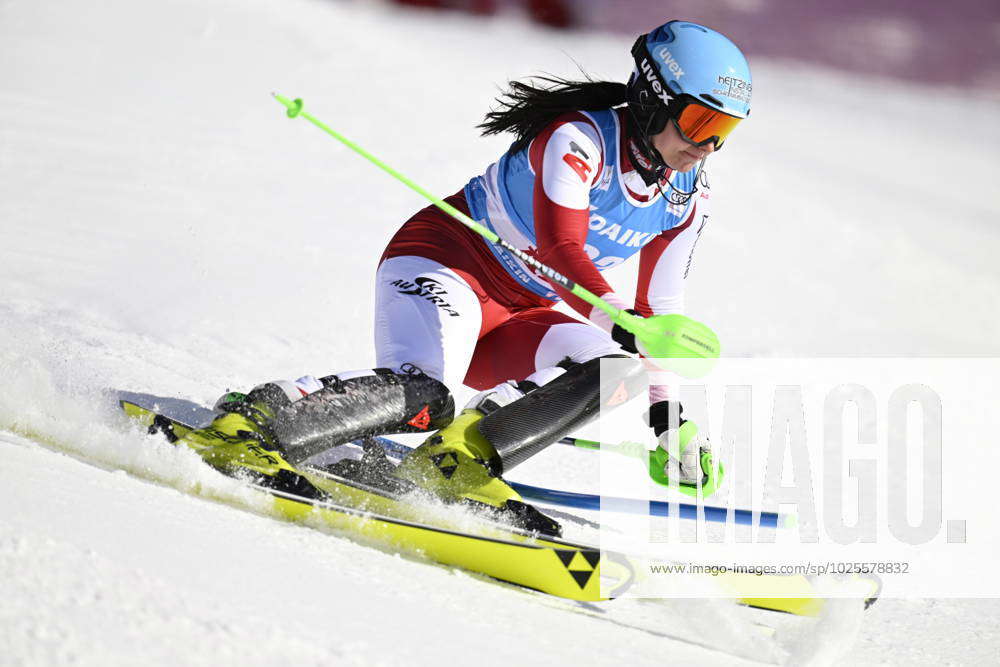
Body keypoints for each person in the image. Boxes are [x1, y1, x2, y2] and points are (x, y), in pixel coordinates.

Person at [181, 20, 752, 535]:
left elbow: (658, 313)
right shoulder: (578, 140)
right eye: (698, 121)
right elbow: (559, 249)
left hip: (523, 311)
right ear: (654, 99)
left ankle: (454, 462)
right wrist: (623, 325)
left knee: (614, 367)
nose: (705, 146)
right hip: (447, 264)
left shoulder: (687, 197)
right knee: (427, 395)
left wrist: (667, 418)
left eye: (721, 130)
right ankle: (251, 421)